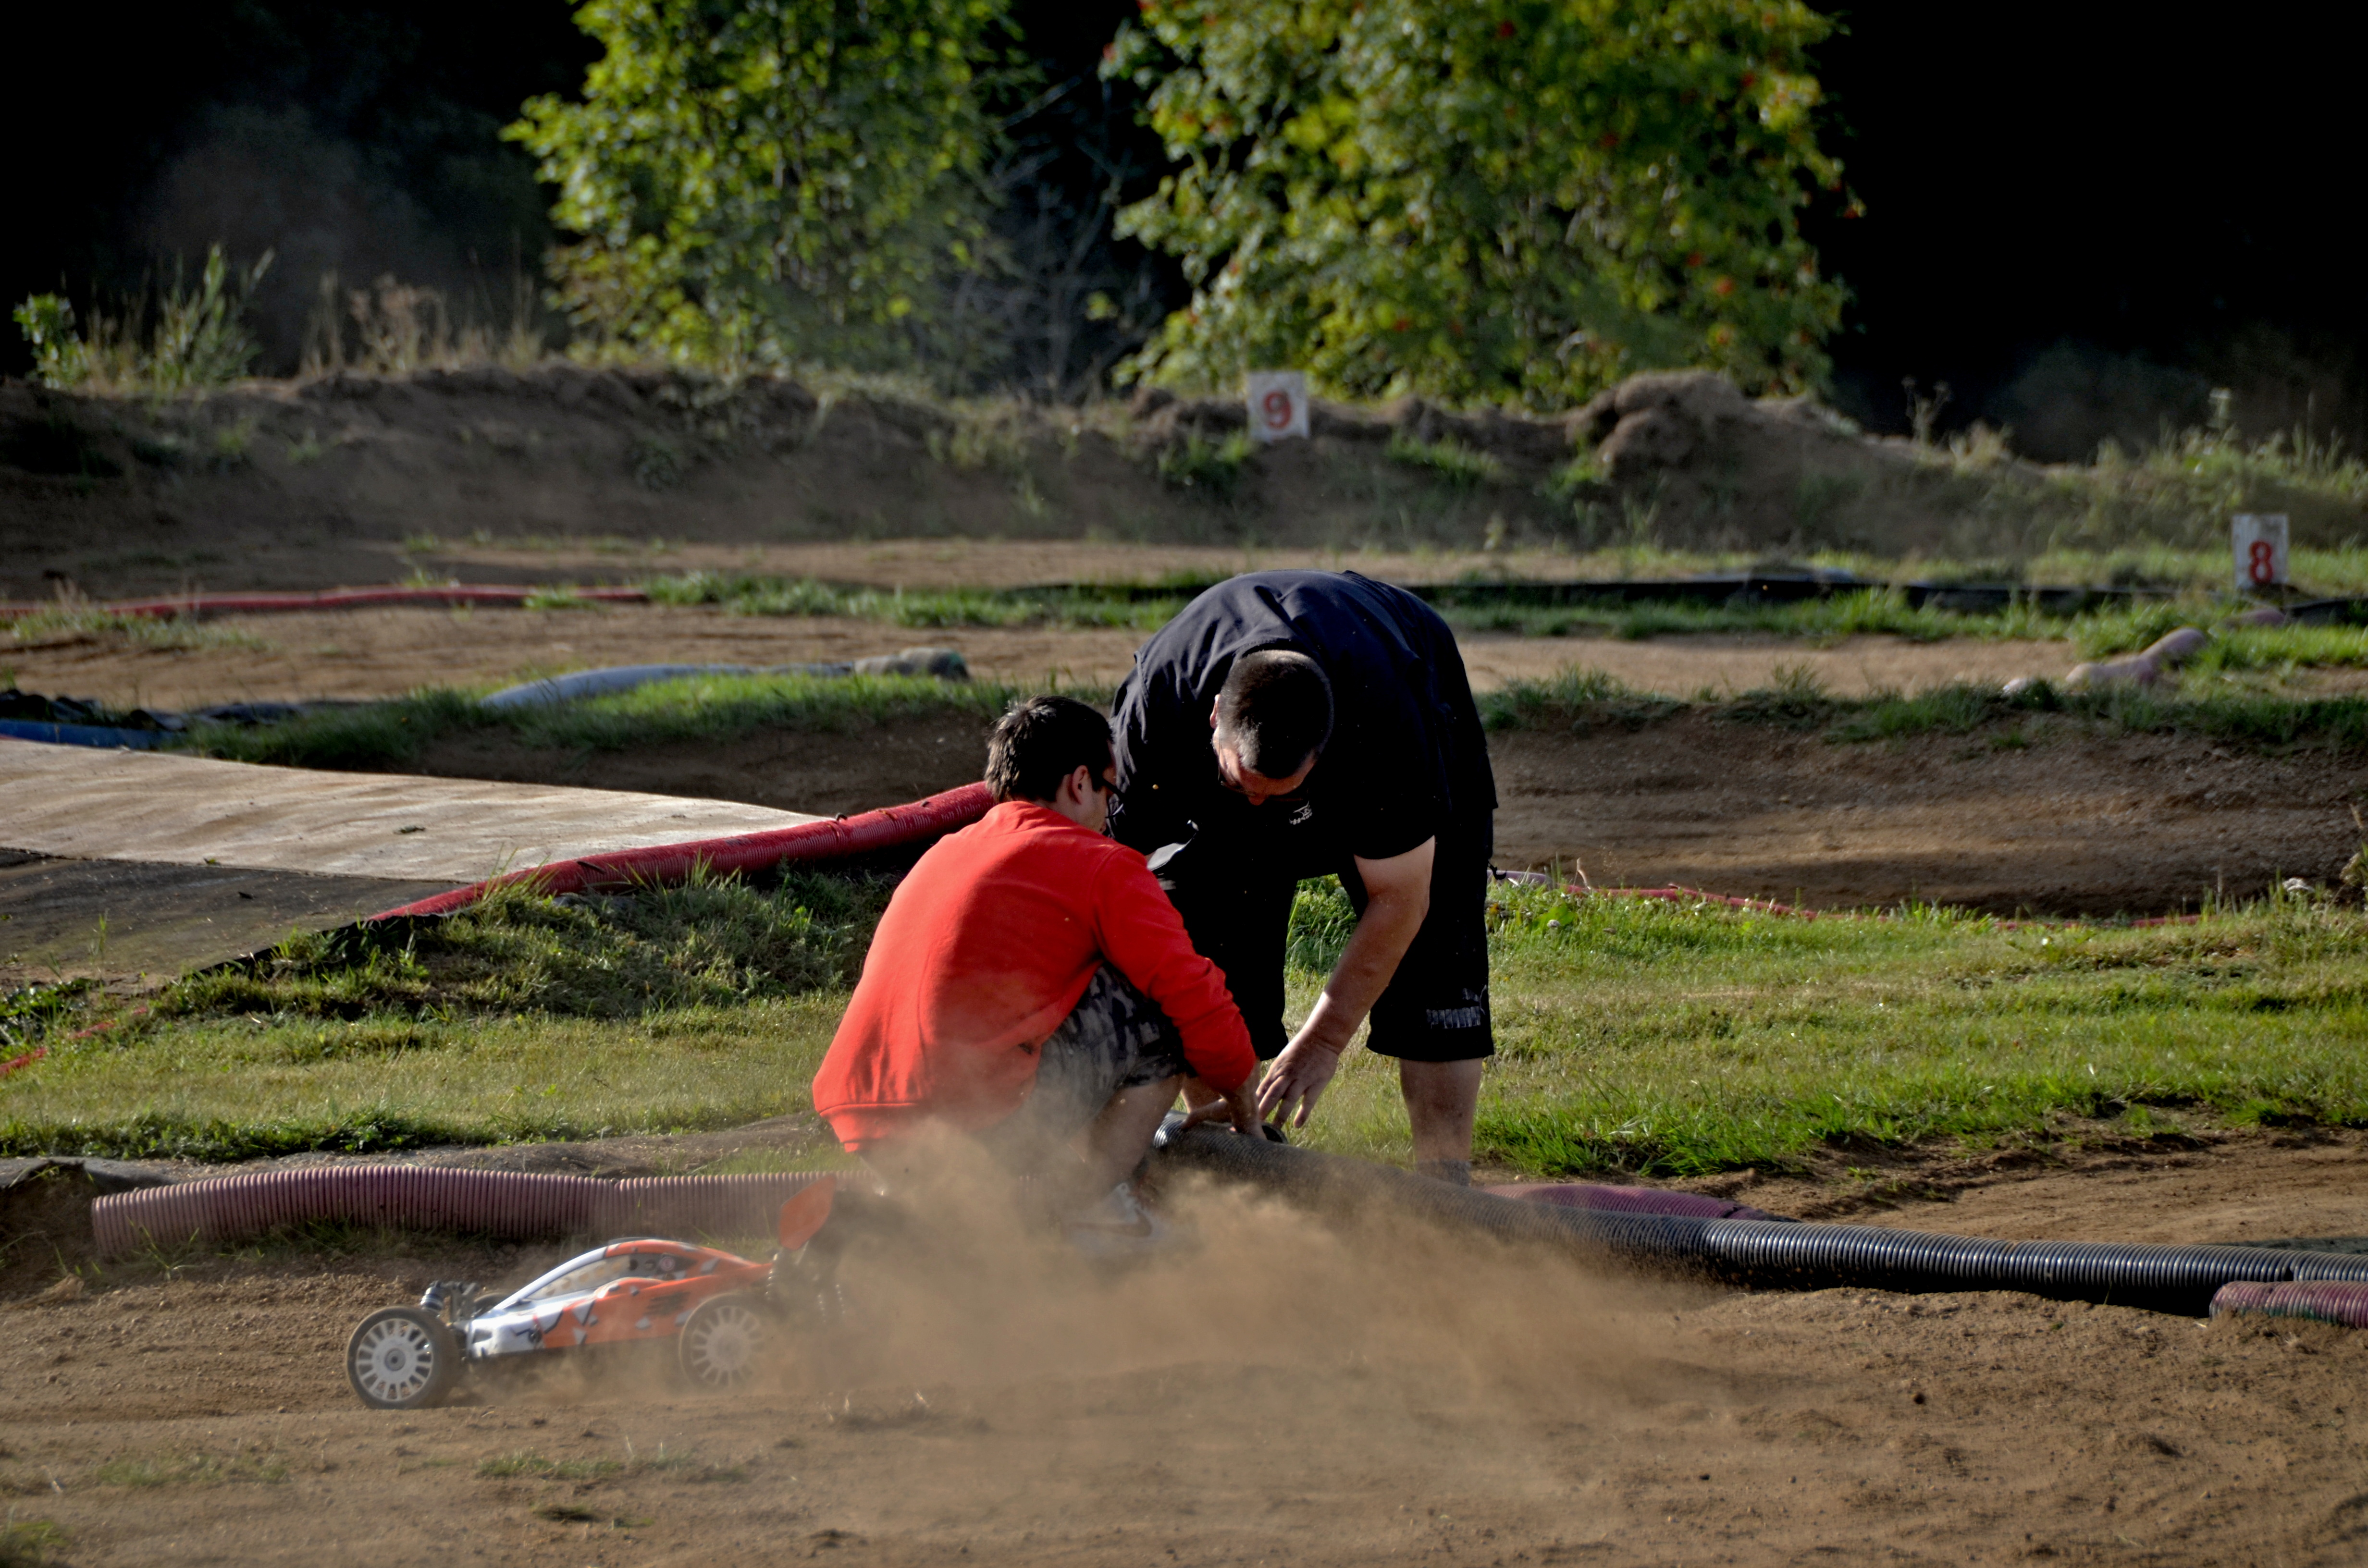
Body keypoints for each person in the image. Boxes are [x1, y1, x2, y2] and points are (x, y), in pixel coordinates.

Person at [811, 694, 1264, 1237]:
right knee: (1157, 1007)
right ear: (1079, 783)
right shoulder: (1099, 864)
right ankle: (1091, 1217)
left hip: (865, 1116)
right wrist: (1242, 1103)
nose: (1107, 812)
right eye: (1109, 791)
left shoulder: (946, 852)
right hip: (974, 1120)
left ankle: (946, 1223)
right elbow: (1192, 991)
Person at [1109, 570, 1497, 1185]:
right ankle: (1229, 1152)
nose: (1259, 805)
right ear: (1213, 717)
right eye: (1244, 786)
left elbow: (1401, 897)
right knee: (1195, 922)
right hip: (1206, 771)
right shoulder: (1158, 704)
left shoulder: (1383, 723)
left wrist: (1323, 1042)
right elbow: (1114, 883)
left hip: (1401, 663)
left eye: (1280, 791)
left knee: (1438, 957)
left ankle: (1444, 1186)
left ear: (1325, 750)